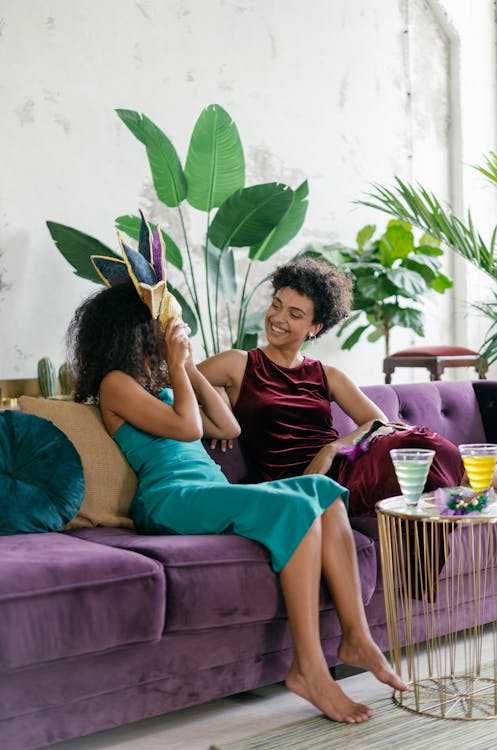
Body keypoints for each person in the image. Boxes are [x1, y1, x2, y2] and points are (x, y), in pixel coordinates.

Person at [66, 278, 407, 726]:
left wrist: (184, 369)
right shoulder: (116, 385)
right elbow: (190, 428)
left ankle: (356, 636)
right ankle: (308, 668)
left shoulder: (164, 387)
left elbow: (228, 427)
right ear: (130, 334)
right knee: (296, 504)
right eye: (159, 330)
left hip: (205, 493)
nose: (165, 338)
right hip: (171, 499)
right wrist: (176, 365)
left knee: (325, 493)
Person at [198, 258, 465, 513]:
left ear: (314, 327)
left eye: (294, 314)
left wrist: (332, 449)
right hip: (299, 484)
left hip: (344, 467)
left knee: (420, 445)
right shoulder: (237, 363)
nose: (278, 318)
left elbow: (378, 423)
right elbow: (172, 382)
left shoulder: (327, 375)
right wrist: (219, 398)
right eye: (276, 305)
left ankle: (477, 486)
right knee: (418, 463)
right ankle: (478, 485)